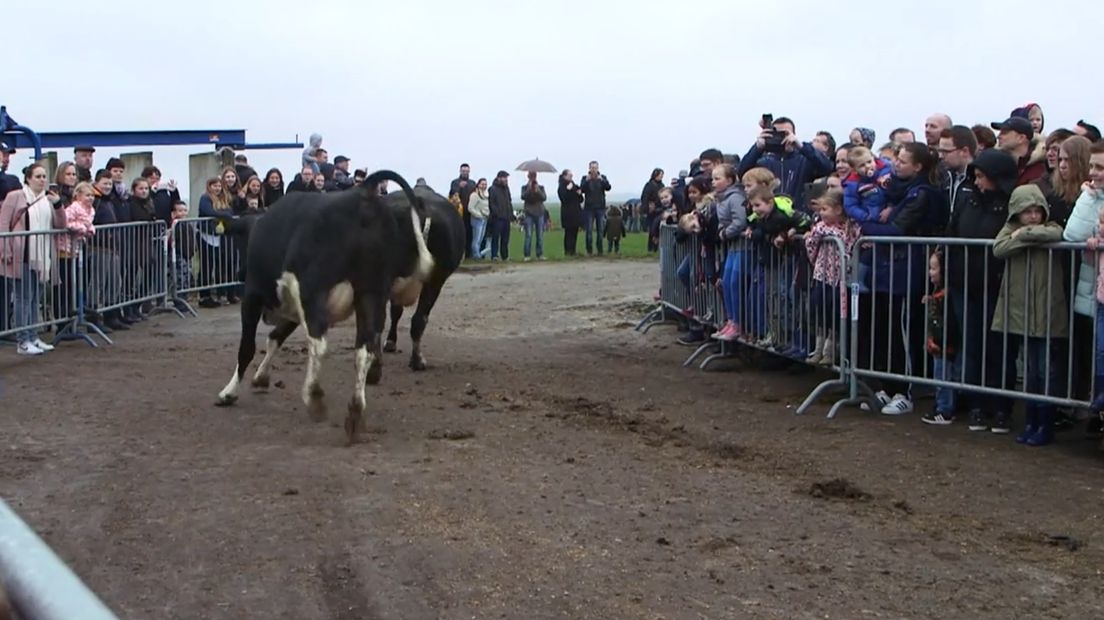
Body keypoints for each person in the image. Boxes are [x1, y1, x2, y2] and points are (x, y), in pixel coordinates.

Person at [945, 149, 1020, 432]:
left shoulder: (1013, 205)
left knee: (1000, 350)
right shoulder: (968, 201)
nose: (977, 182)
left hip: (998, 288)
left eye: (981, 177)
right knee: (972, 346)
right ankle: (976, 406)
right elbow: (952, 232)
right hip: (966, 285)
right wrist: (941, 258)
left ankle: (1001, 407)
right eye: (975, 176)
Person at [991, 184, 1067, 445]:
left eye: (1037, 211)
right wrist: (1025, 235)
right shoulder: (1009, 230)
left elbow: (1057, 232)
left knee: (1047, 371)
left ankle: (1045, 423)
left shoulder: (1051, 228)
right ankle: (1032, 421)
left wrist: (1025, 234)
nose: (1033, 216)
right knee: (1032, 371)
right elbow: (999, 248)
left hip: (1047, 310)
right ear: (1016, 212)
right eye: (1027, 212)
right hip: (1022, 311)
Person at [0, 163, 66, 355]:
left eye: (44, 176)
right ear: (28, 178)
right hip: (22, 254)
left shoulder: (47, 200)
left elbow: (61, 225)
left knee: (35, 297)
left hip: (42, 255)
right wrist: (5, 250)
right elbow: (4, 223)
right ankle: (22, 340)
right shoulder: (15, 197)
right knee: (23, 298)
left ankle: (33, 336)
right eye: (38, 176)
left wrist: (58, 205)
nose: (42, 180)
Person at [804, 186, 859, 365]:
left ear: (838, 209)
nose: (821, 214)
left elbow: (848, 243)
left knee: (835, 314)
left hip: (841, 278)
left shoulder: (850, 226)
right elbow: (810, 245)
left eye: (824, 209)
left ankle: (830, 351)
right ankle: (818, 348)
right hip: (821, 275)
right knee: (820, 312)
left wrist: (824, 233)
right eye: (820, 210)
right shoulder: (820, 226)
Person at [920, 250, 959, 426]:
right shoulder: (938, 294)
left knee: (943, 375)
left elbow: (946, 322)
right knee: (939, 375)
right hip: (936, 344)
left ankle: (945, 410)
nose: (930, 272)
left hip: (943, 344)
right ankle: (941, 406)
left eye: (934, 268)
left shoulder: (947, 296)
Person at [711, 164, 749, 342]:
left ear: (730, 180)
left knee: (734, 283)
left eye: (717, 178)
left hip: (741, 246)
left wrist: (725, 233)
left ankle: (738, 323)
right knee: (726, 283)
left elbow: (740, 221)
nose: (713, 182)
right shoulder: (721, 198)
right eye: (713, 178)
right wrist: (721, 230)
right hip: (732, 246)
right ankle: (731, 321)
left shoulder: (735, 198)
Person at [842, 146, 892, 223]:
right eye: (862, 165)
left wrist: (891, 207)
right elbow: (850, 206)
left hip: (892, 213)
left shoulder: (887, 169)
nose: (868, 166)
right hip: (872, 219)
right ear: (854, 170)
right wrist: (865, 217)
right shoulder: (852, 184)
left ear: (873, 158)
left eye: (869, 162)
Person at [580, 161, 611, 255]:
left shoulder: (602, 178)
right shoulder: (585, 178)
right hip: (589, 208)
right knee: (589, 231)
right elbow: (581, 189)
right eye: (592, 167)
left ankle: (600, 251)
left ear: (598, 168)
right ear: (589, 168)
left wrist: (602, 180)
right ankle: (589, 251)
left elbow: (608, 187)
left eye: (595, 167)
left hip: (600, 208)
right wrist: (587, 181)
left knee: (600, 230)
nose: (593, 169)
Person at [521, 171, 546, 261]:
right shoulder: (524, 187)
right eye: (531, 176)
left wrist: (537, 190)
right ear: (528, 177)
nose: (533, 178)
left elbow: (544, 198)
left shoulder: (541, 187)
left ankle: (539, 254)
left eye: (534, 176)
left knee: (540, 235)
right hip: (529, 214)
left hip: (539, 213)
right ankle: (527, 255)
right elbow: (523, 197)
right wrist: (529, 189)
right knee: (528, 235)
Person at [488, 170, 513, 261]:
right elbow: (492, 203)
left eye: (506, 178)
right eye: (504, 177)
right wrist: (497, 213)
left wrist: (510, 214)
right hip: (497, 218)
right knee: (496, 237)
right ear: (499, 178)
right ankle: (494, 255)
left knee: (505, 238)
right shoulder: (492, 189)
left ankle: (505, 256)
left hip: (506, 217)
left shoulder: (507, 188)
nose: (506, 179)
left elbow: (509, 202)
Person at [558, 170, 584, 256]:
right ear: (564, 176)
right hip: (567, 213)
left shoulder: (574, 185)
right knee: (568, 233)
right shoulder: (561, 187)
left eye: (572, 176)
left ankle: (573, 251)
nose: (571, 177)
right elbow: (563, 198)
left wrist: (579, 194)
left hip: (576, 212)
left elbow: (581, 200)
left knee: (574, 232)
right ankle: (567, 251)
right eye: (569, 175)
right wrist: (568, 190)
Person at [467, 178, 491, 259]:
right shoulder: (475, 195)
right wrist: (479, 215)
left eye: (485, 184)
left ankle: (476, 254)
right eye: (482, 184)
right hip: (477, 219)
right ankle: (476, 255)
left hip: (485, 218)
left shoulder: (486, 194)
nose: (484, 186)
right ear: (478, 185)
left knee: (481, 238)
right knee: (476, 239)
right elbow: (470, 208)